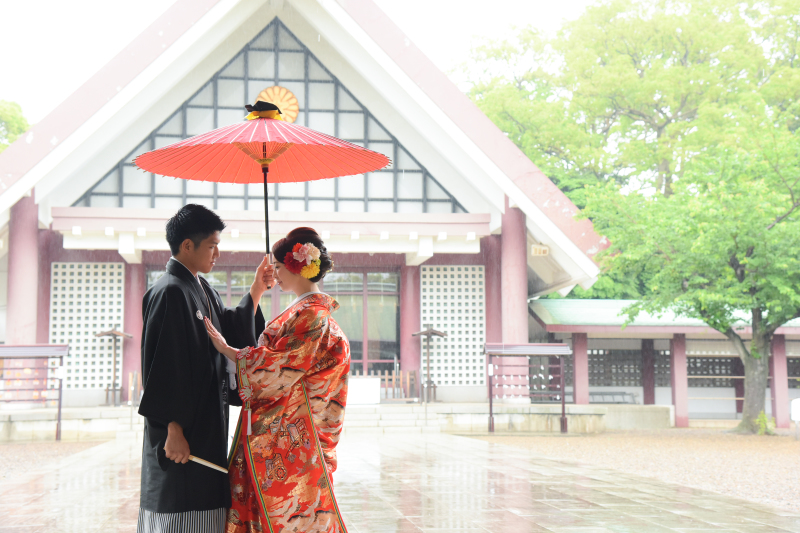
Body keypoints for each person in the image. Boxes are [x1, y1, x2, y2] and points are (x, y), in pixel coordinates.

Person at [203, 227, 350, 533]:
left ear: (298, 267)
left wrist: (228, 350)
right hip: (294, 429)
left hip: (296, 432)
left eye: (279, 267)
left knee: (291, 515)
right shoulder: (308, 312)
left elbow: (280, 367)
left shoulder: (312, 316)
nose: (276, 275)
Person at [137, 204, 273, 533]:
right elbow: (164, 364)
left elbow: (228, 327)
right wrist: (172, 428)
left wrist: (256, 289)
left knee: (207, 510)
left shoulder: (200, 288)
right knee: (178, 511)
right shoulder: (169, 291)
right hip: (181, 433)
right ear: (187, 245)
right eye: (212, 246)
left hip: (206, 423)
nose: (217, 254)